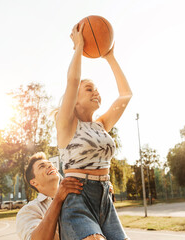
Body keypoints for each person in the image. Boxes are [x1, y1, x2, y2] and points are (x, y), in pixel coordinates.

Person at [55, 23, 132, 240]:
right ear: (75, 99)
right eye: (89, 89)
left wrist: (110, 57)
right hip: (78, 197)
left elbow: (125, 95)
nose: (96, 92)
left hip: (104, 198)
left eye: (96, 89)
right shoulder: (67, 124)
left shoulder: (101, 125)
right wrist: (79, 45)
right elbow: (72, 80)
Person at [16, 152, 83, 240]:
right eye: (42, 166)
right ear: (34, 182)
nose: (50, 166)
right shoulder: (28, 210)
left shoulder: (78, 196)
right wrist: (58, 199)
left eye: (51, 164)